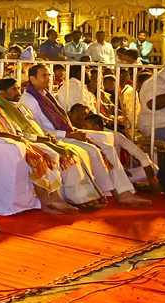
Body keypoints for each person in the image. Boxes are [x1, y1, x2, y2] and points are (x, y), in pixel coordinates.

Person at [21, 65, 149, 207]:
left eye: (49, 75)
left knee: (108, 148)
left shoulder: (45, 95)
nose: (48, 79)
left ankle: (124, 193)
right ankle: (109, 193)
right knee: (93, 150)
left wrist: (75, 132)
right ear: (32, 78)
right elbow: (38, 130)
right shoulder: (29, 100)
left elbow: (62, 120)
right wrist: (70, 134)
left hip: (67, 133)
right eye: (44, 75)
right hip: (54, 138)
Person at [0, 70, 77, 214]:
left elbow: (12, 127)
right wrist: (10, 137)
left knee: (50, 152)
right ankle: (47, 201)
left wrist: (32, 138)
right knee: (38, 156)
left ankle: (54, 198)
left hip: (13, 140)